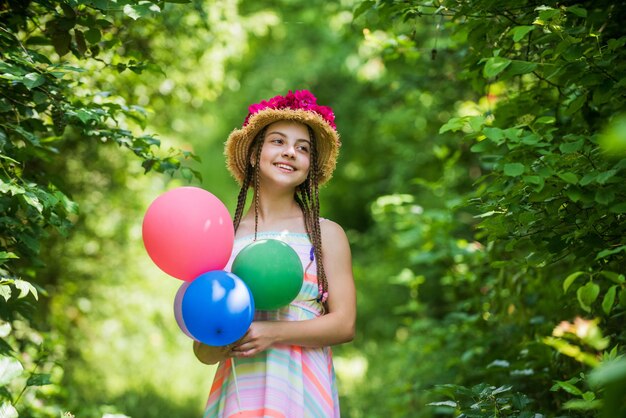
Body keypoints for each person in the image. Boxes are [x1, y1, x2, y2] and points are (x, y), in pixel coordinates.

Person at [193, 90, 356, 418]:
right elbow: (204, 352)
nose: (290, 153)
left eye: (303, 148)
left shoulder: (326, 234)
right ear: (255, 154)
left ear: (309, 166)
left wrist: (272, 332)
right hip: (242, 389)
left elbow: (344, 324)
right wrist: (221, 333)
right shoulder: (224, 238)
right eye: (278, 141)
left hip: (302, 389)